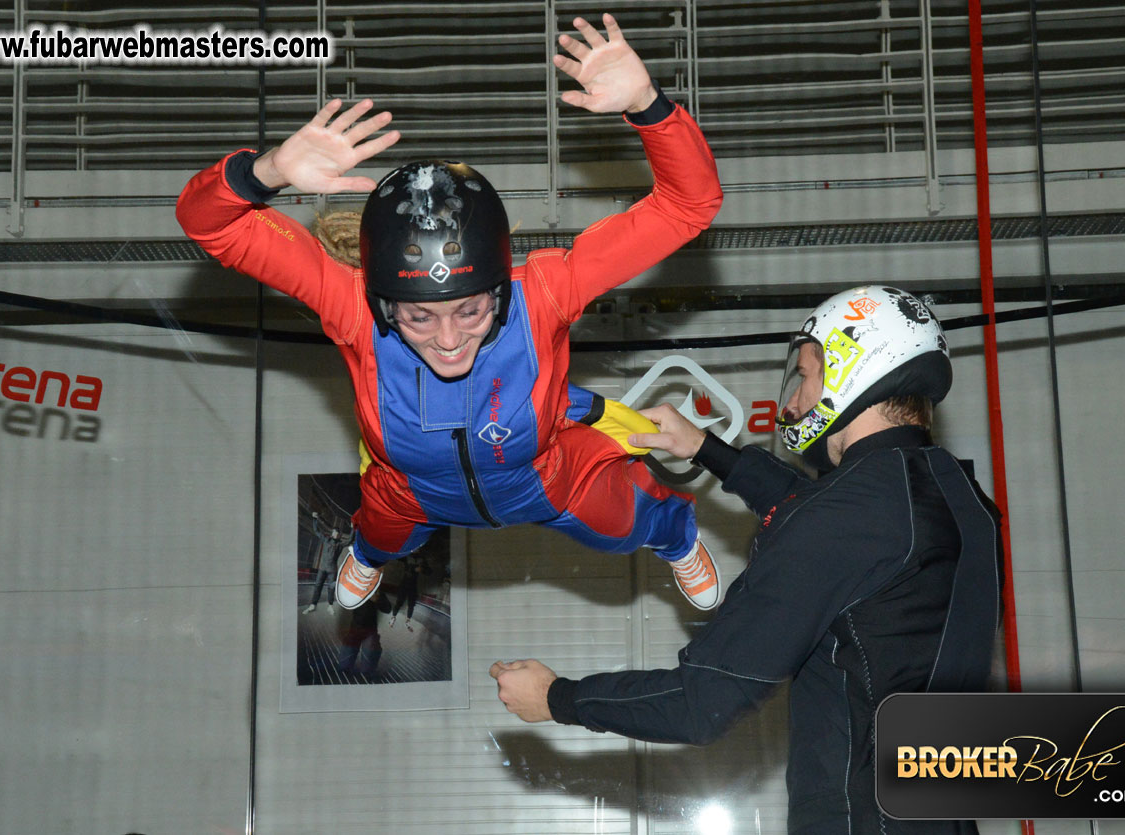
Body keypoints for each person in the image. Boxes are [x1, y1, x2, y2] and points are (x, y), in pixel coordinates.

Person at [177, 15, 724, 612]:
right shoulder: (350, 303)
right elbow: (208, 222)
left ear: (500, 289)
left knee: (636, 524)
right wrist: (271, 169)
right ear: (384, 303)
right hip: (409, 492)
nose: (447, 341)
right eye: (418, 319)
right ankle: (368, 551)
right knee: (381, 535)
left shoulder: (545, 289)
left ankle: (678, 540)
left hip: (546, 475)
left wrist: (648, 105)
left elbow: (687, 206)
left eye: (470, 311)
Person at [490, 286, 1002, 835]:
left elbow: (702, 700)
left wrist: (559, 697)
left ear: (859, 370)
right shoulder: (961, 497)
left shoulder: (848, 517)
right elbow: (811, 511)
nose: (795, 402)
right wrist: (705, 448)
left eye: (805, 377)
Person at [301, 515, 351, 614]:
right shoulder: (326, 540)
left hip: (332, 570)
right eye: (335, 532)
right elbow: (317, 531)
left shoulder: (340, 545)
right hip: (322, 569)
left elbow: (349, 540)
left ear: (339, 535)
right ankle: (313, 605)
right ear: (332, 533)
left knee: (331, 588)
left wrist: (354, 529)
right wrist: (315, 519)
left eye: (338, 534)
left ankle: (330, 606)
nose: (336, 534)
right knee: (317, 586)